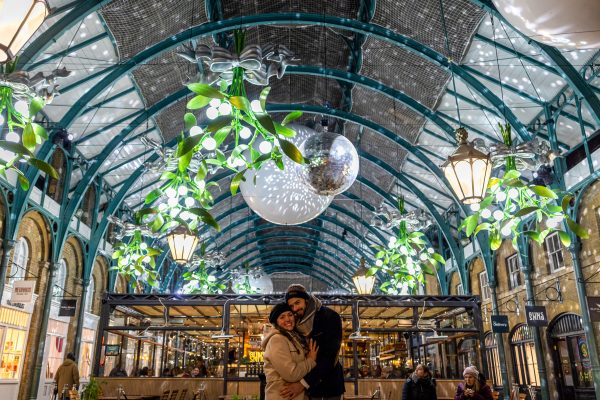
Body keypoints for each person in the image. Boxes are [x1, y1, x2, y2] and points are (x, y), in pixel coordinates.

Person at [281, 284, 345, 399]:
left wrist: (302, 384)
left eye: (297, 302)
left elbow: (329, 358)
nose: (295, 309)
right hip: (309, 389)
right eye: (291, 306)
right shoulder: (294, 323)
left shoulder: (330, 317)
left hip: (329, 386)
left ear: (306, 300)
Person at [262, 302, 318, 400]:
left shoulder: (292, 338)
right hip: (281, 396)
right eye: (282, 317)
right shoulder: (277, 340)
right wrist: (310, 360)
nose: (287, 319)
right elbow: (291, 374)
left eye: (290, 315)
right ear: (276, 322)